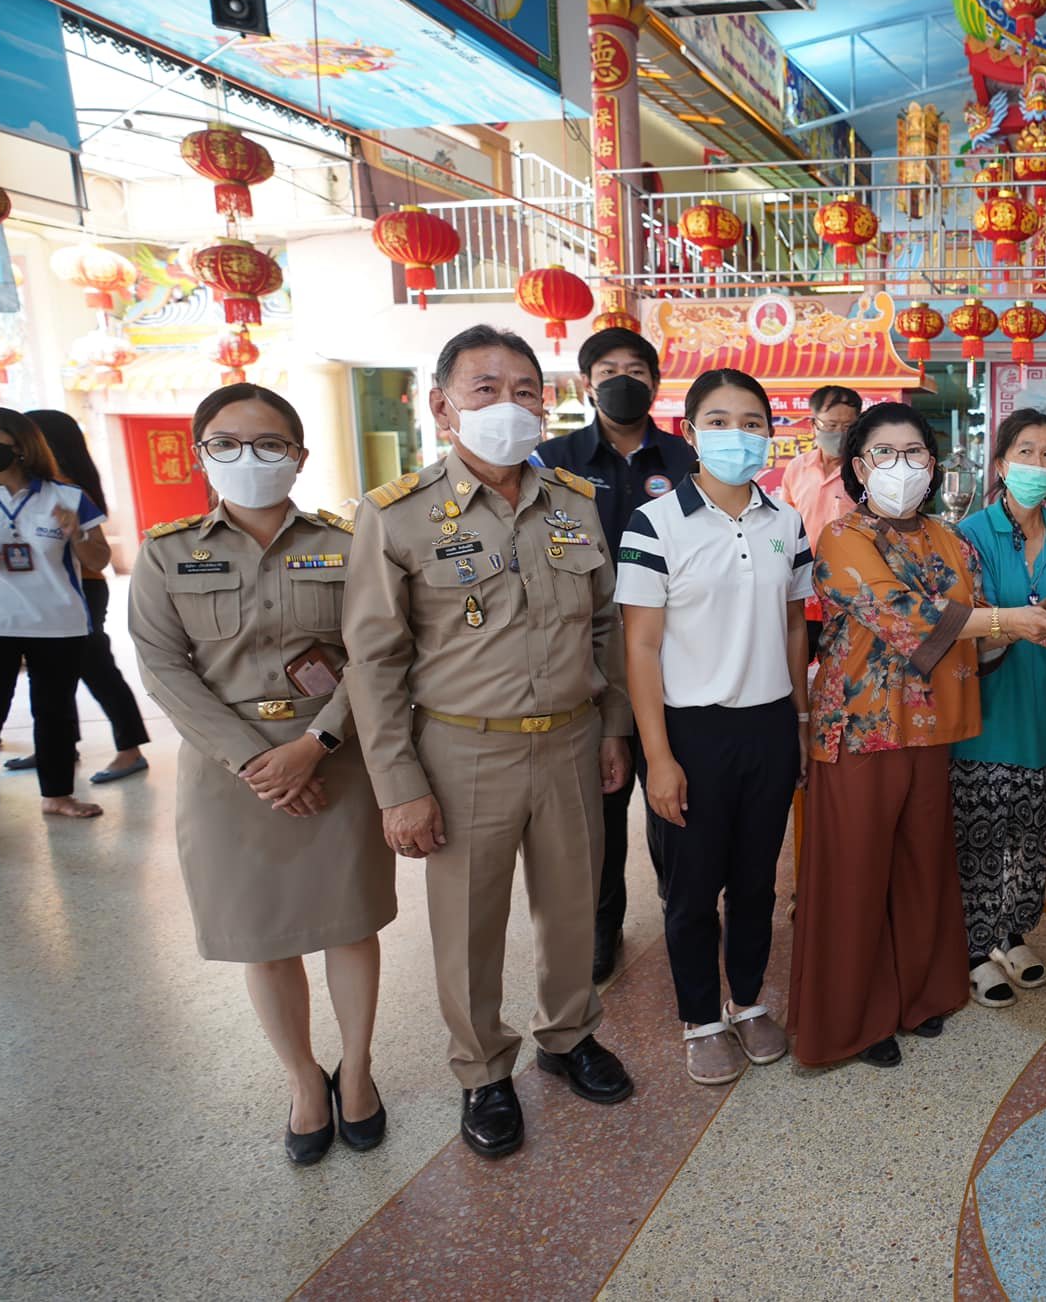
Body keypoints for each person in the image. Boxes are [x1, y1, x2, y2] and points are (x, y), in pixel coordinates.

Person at [343, 324, 635, 1158]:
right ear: (442, 407)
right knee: (469, 924)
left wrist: (613, 726)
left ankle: (569, 1035)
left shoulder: (573, 501)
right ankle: (482, 1069)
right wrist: (399, 786)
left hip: (571, 739)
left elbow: (606, 626)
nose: (508, 405)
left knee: (574, 907)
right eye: (485, 389)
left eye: (524, 391)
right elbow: (373, 661)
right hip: (463, 751)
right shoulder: (396, 515)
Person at [127, 383, 396, 1165]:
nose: (249, 457)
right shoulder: (166, 551)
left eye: (269, 443)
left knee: (349, 924)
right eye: (227, 443)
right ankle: (304, 1081)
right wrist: (254, 759)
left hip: (336, 757)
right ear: (201, 453)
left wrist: (315, 744)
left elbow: (376, 654)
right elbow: (163, 668)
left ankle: (357, 1072)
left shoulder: (349, 543)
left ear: (299, 455)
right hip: (229, 773)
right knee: (263, 936)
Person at [790, 401, 1046, 1068]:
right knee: (857, 874)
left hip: (935, 728)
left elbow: (977, 626)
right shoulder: (843, 537)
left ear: (934, 464)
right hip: (863, 729)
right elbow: (904, 616)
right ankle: (853, 1020)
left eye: (914, 452)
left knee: (922, 869)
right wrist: (1010, 622)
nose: (902, 465)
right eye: (884, 453)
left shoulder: (951, 539)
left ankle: (918, 995)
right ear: (859, 467)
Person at [617, 368, 810, 1085]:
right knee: (693, 889)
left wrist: (798, 722)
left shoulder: (785, 521)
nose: (739, 435)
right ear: (691, 434)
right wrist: (658, 757)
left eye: (753, 422)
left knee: (757, 883)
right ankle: (700, 1018)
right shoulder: (655, 524)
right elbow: (640, 646)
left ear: (770, 434)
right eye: (721, 421)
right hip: (690, 731)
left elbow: (795, 624)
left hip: (768, 724)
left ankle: (749, 1000)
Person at [531, 326, 695, 983]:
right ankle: (602, 927)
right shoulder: (552, 462)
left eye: (635, 369)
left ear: (654, 383)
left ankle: (683, 915)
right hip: (586, 660)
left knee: (674, 799)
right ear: (586, 383)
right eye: (607, 370)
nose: (622, 380)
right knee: (595, 809)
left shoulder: (685, 460)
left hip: (671, 656)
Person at [953, 408, 1046, 1007]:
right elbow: (959, 622)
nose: (1037, 463)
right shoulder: (969, 535)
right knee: (979, 833)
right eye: (1025, 452)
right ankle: (974, 947)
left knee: (1031, 835)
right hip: (984, 710)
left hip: (1038, 709)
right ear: (1002, 463)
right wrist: (1014, 623)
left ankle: (1012, 933)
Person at [6, 410, 150, 784]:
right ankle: (58, 746)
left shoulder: (65, 489)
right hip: (41, 591)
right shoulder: (21, 485)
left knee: (93, 665)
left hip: (80, 587)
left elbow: (97, 555)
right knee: (53, 671)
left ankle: (130, 747)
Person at [0, 407, 109, 823]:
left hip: (57, 624)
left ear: (19, 443)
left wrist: (78, 533)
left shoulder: (67, 496)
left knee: (55, 713)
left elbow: (99, 559)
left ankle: (57, 795)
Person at [777, 383, 862, 655]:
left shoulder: (862, 473)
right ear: (814, 425)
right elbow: (784, 525)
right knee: (798, 659)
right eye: (831, 425)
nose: (839, 434)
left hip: (849, 594)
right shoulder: (797, 468)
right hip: (801, 589)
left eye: (848, 427)